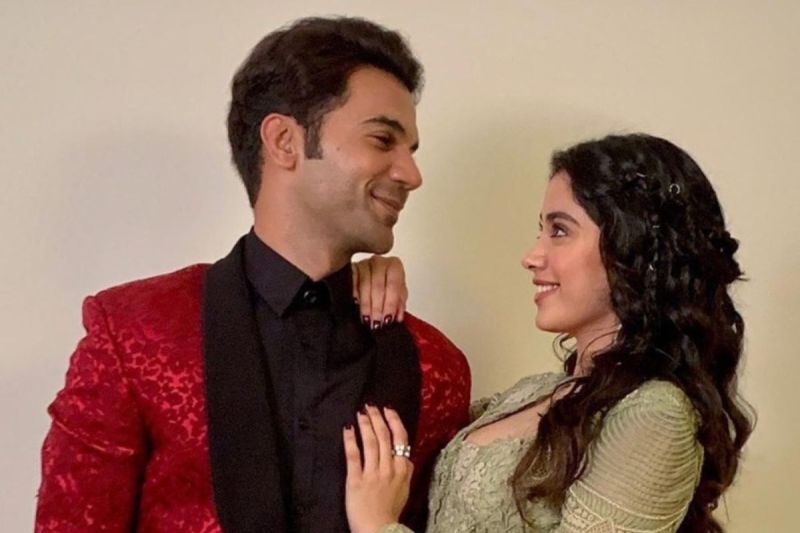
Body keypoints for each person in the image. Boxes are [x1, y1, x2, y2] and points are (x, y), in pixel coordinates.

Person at [35, 17, 471, 533]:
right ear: (284, 141)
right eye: (382, 139)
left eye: (411, 151)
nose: (411, 175)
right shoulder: (134, 333)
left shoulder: (436, 366)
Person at [345, 133, 754, 532]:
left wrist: (377, 526)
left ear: (636, 248)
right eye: (542, 230)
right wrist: (362, 279)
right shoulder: (531, 393)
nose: (532, 256)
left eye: (560, 231)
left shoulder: (655, 412)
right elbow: (427, 434)